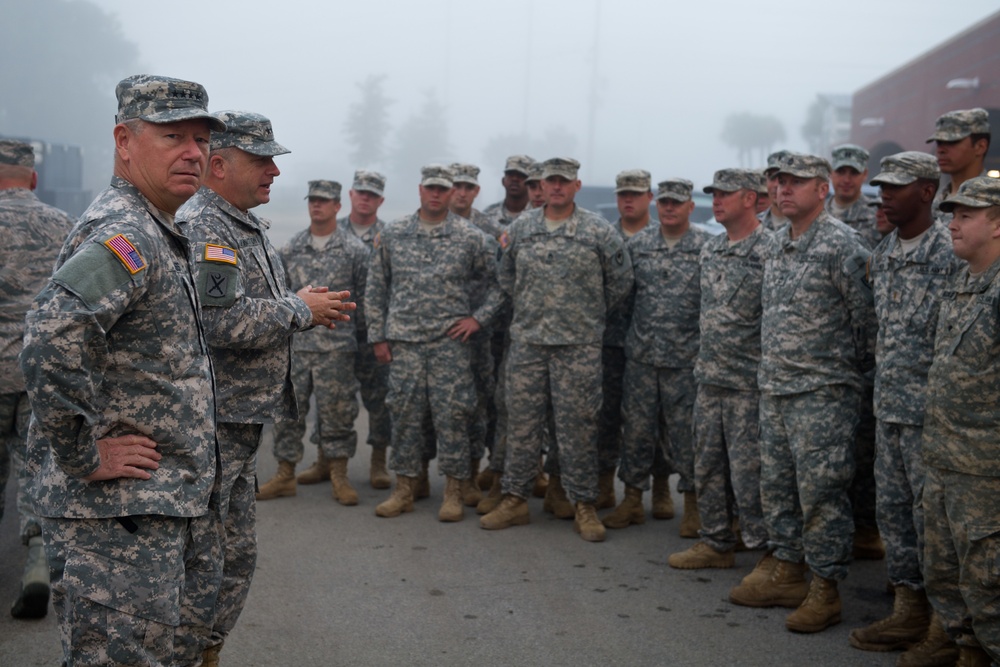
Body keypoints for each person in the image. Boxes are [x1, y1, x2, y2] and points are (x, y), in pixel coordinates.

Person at [18, 74, 224, 666]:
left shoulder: (162, 228)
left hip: (154, 506)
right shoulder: (125, 231)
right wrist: (83, 453)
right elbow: (52, 334)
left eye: (201, 138)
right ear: (125, 141)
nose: (194, 152)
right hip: (117, 519)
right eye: (173, 136)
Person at [178, 111, 352, 665]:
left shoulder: (239, 223)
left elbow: (235, 305)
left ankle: (206, 650)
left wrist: (292, 301)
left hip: (238, 424)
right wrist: (299, 308)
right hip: (216, 423)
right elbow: (221, 321)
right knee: (208, 561)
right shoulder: (208, 226)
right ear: (219, 165)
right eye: (261, 160)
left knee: (234, 558)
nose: (275, 171)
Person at [728, 153, 876, 635]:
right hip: (776, 388)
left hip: (822, 392)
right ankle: (788, 568)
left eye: (795, 183)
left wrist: (842, 378)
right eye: (778, 182)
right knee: (778, 487)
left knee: (821, 493)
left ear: (822, 189)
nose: (783, 190)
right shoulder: (776, 245)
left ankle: (825, 587)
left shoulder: (843, 245)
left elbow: (866, 325)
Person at [481, 157, 633, 543]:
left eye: (565, 181)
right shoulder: (520, 230)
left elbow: (619, 283)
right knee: (521, 427)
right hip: (529, 344)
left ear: (576, 186)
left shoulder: (598, 232)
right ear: (542, 186)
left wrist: (584, 316)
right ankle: (514, 498)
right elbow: (506, 276)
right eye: (551, 181)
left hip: (577, 347)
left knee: (578, 428)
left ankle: (582, 503)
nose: (557, 187)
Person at [846, 153, 957, 661]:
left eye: (897, 187)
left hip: (934, 417)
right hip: (889, 408)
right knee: (894, 516)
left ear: (928, 191)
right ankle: (908, 607)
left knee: (935, 522)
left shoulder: (951, 250)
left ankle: (946, 624)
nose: (884, 195)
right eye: (882, 187)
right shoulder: (884, 251)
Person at [367, 164, 503, 523]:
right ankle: (404, 489)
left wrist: (479, 318)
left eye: (444, 189)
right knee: (406, 415)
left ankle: (455, 492)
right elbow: (376, 287)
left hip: (450, 344)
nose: (437, 194)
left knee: (453, 416)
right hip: (405, 342)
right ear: (420, 189)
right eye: (432, 188)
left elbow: (502, 281)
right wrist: (377, 336)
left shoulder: (470, 236)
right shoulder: (394, 234)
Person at [667, 168, 768, 569]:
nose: (717, 200)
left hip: (749, 384)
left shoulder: (771, 250)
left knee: (750, 475)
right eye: (715, 193)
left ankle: (766, 551)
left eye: (726, 193)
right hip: (709, 378)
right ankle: (715, 541)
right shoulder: (710, 249)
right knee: (707, 464)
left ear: (750, 198)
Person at [920, 176, 1000, 666]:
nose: (952, 224)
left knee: (990, 587)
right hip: (944, 461)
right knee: (947, 579)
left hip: (986, 474)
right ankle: (969, 652)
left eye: (966, 215)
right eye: (952, 214)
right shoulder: (960, 281)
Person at [602, 177, 711, 536]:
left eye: (676, 203)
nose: (669, 208)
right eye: (664, 202)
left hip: (685, 360)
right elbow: (622, 296)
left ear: (690, 207)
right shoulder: (639, 245)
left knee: (685, 435)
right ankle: (632, 499)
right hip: (643, 357)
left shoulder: (706, 246)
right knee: (635, 431)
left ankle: (693, 506)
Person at [0, 139, 74, 619]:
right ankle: (35, 566)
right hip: (36, 370)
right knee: (36, 473)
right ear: (33, 178)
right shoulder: (62, 224)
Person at [260, 180, 369, 506]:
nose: (316, 205)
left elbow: (364, 301)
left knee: (337, 413)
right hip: (298, 350)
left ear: (338, 206)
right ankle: (284, 474)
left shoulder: (355, 251)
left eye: (324, 201)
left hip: (337, 350)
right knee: (289, 413)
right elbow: (280, 296)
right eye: (313, 200)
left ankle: (338, 474)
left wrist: (363, 345)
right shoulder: (291, 248)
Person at [594, 170, 653, 513]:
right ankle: (604, 486)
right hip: (608, 343)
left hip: (652, 346)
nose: (628, 200)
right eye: (622, 195)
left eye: (635, 194)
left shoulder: (663, 235)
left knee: (648, 421)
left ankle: (658, 488)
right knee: (606, 418)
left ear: (649, 197)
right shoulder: (603, 235)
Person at [338, 169, 394, 490]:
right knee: (337, 400)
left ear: (381, 200)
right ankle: (329, 461)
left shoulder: (389, 235)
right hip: (340, 333)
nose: (365, 198)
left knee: (380, 400)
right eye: (360, 192)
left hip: (374, 335)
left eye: (372, 194)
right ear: (351, 194)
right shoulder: (334, 231)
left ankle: (378, 462)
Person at [928, 108, 991, 223]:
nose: (940, 150)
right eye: (939, 143)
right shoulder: (932, 205)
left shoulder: (994, 199)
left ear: (980, 146)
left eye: (952, 142)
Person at [826, 144, 879, 248]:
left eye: (854, 172)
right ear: (831, 173)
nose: (846, 180)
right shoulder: (815, 214)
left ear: (865, 174)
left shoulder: (878, 216)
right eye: (840, 172)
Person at [482, 154, 534, 228]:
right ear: (503, 181)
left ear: (530, 183)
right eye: (510, 174)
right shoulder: (488, 215)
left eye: (521, 175)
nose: (515, 179)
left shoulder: (540, 215)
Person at [759, 150, 792, 231]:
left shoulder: (806, 224)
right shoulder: (755, 225)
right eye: (772, 177)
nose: (776, 185)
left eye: (783, 180)